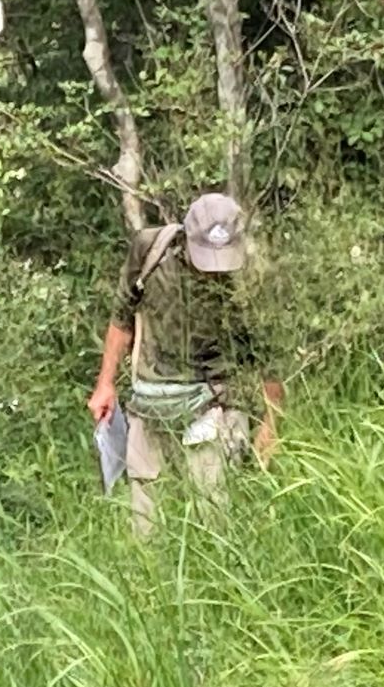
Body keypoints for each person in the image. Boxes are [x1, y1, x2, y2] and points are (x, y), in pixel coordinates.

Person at [88, 191, 279, 534]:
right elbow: (121, 318)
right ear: (186, 238)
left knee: (217, 517)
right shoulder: (150, 250)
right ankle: (149, 581)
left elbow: (268, 354)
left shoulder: (250, 278)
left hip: (216, 403)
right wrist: (105, 384)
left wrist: (272, 423)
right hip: (150, 400)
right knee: (145, 521)